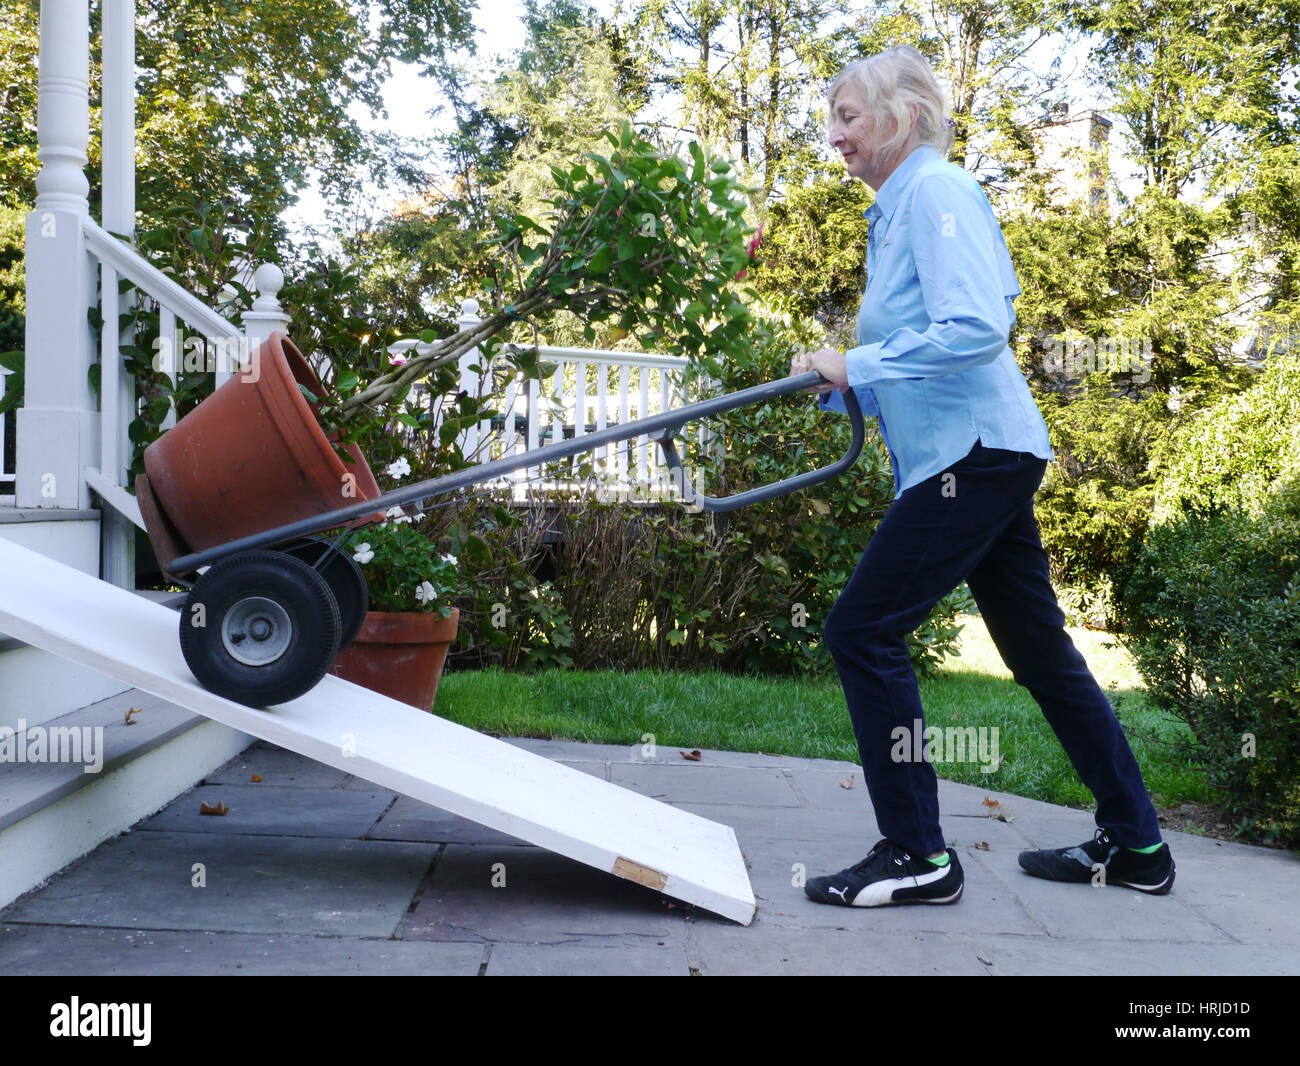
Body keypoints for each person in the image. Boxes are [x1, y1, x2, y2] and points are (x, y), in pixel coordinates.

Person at [788, 44, 1174, 907]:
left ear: (902, 117)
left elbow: (972, 329)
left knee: (862, 630)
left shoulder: (938, 193)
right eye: (832, 120)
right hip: (980, 453)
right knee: (1039, 651)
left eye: (848, 116)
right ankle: (1137, 844)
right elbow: (922, 344)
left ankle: (918, 856)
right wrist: (849, 382)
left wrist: (858, 361)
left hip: (975, 457)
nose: (834, 135)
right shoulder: (898, 212)